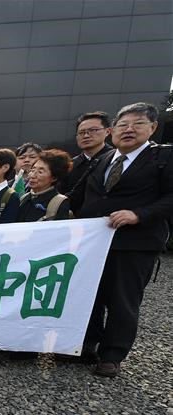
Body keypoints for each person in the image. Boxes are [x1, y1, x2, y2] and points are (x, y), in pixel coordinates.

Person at [67, 102, 173, 377]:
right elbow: (79, 197)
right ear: (113, 131)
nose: (129, 130)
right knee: (89, 295)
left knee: (122, 300)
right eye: (124, 124)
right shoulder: (102, 160)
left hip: (134, 243)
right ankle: (87, 345)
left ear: (152, 128)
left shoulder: (163, 158)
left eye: (137, 124)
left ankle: (112, 355)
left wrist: (139, 214)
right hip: (93, 243)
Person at [58, 111, 114, 200]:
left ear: (108, 131)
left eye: (93, 130)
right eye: (81, 132)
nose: (86, 135)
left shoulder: (116, 159)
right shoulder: (71, 165)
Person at [17, 149, 72, 222]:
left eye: (40, 172)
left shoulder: (58, 202)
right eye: (32, 170)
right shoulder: (24, 198)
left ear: (54, 178)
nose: (32, 175)